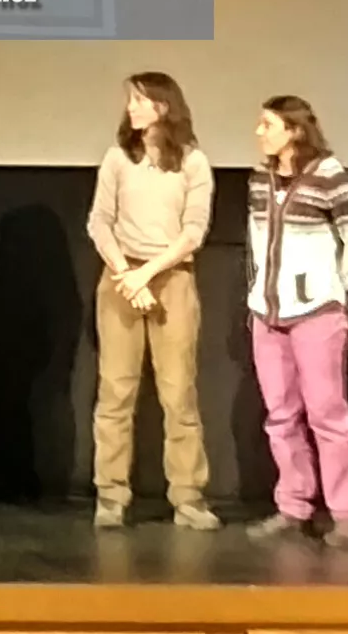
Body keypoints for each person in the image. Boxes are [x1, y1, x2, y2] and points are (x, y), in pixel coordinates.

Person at [86, 73, 219, 530]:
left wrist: (148, 273)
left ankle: (188, 497)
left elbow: (194, 232)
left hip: (172, 280)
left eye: (140, 100)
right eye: (131, 101)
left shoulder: (193, 163)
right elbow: (99, 222)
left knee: (178, 392)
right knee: (115, 391)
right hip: (122, 278)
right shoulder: (118, 158)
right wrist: (127, 274)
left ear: (164, 106)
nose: (132, 108)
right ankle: (110, 493)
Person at [245, 95, 348, 548]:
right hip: (268, 314)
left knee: (327, 414)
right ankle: (293, 505)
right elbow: (256, 242)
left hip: (317, 313)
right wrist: (259, 294)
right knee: (280, 415)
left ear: (294, 131)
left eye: (268, 124)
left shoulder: (331, 178)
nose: (259, 132)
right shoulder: (260, 180)